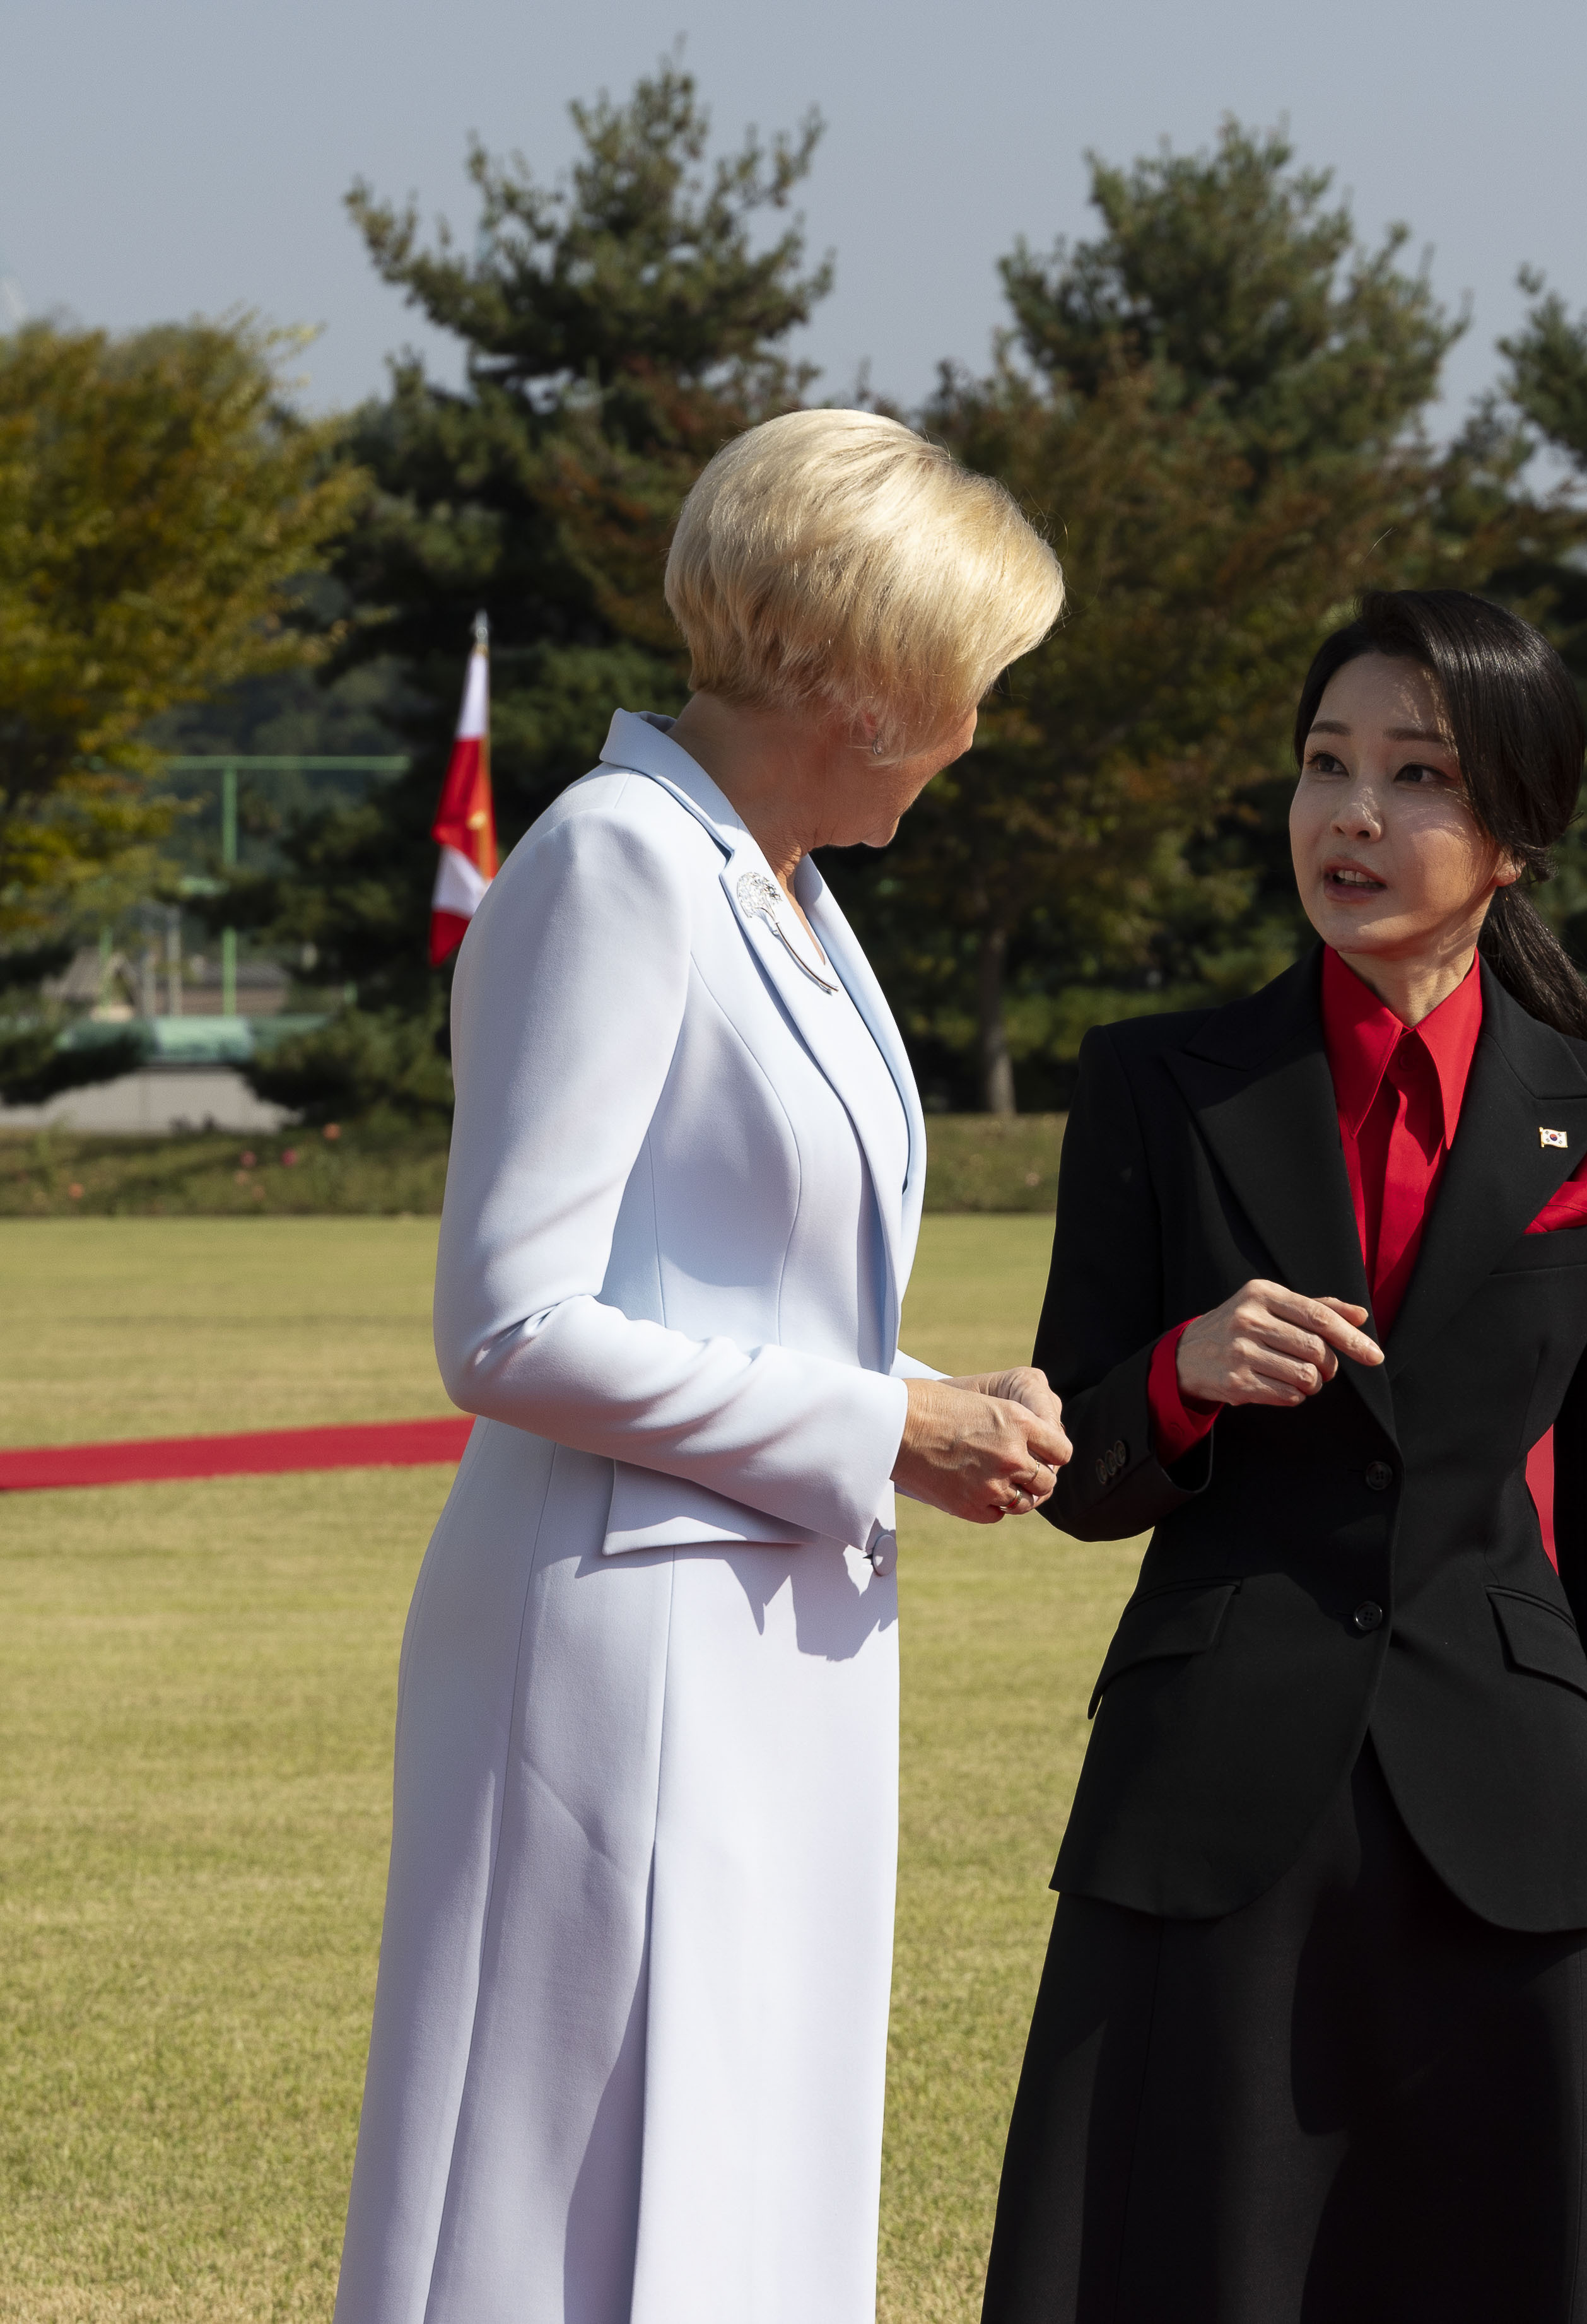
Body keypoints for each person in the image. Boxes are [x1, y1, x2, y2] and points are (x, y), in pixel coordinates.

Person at [335, 409, 1074, 2324]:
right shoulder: (615, 863)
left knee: (747, 2156)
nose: (976, 731)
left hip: (765, 1636)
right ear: (856, 670)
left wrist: (925, 1397)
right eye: (964, 683)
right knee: (565, 2196)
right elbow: (506, 1318)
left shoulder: (793, 897)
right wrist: (875, 1419)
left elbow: (738, 1280)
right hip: (623, 1646)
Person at [985, 591, 1587, 2323]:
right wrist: (1178, 1369)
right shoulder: (1159, 1083)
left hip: (1508, 1815)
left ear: (1516, 835)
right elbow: (1074, 1463)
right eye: (1325, 764)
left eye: (1416, 775)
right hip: (1208, 1794)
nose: (1352, 815)